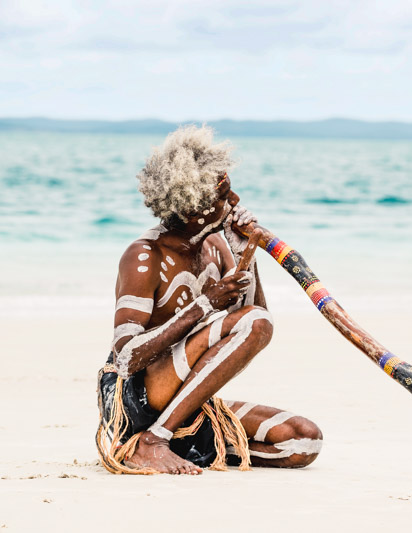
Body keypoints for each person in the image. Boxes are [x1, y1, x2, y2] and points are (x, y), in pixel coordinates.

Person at [96, 125, 322, 475]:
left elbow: (253, 324)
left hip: (183, 403)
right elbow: (125, 358)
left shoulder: (218, 247)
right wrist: (205, 306)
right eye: (225, 196)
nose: (235, 202)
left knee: (303, 441)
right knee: (254, 321)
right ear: (192, 207)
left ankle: (185, 443)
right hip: (138, 397)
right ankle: (150, 441)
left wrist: (247, 250)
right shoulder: (144, 256)